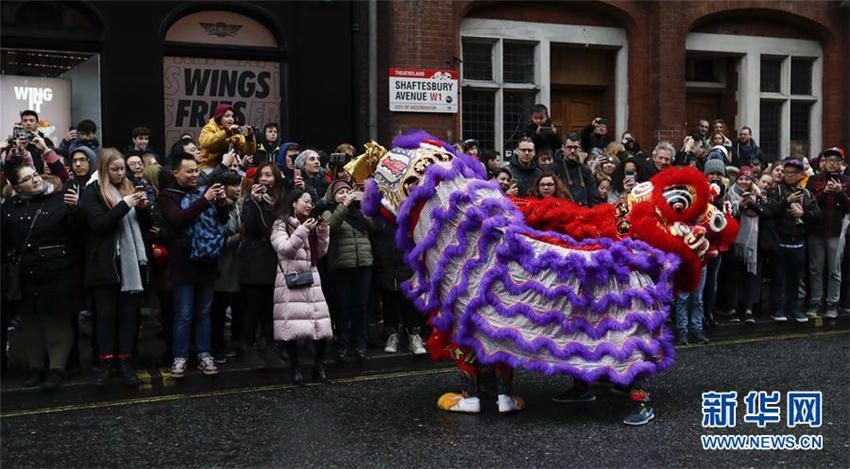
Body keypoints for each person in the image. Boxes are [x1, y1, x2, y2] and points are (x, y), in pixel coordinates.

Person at [1, 164, 82, 390]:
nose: (35, 180)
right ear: (16, 186)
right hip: (26, 273)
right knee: (31, 324)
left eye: (35, 175)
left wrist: (75, 210)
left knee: (57, 321)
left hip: (59, 271)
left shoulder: (60, 200)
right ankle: (35, 368)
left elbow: (79, 231)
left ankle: (57, 369)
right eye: (27, 179)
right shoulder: (8, 208)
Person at [79, 149, 151, 387]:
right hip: (105, 264)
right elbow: (98, 225)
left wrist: (142, 208)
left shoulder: (128, 187)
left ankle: (125, 361)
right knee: (106, 317)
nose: (120, 173)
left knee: (129, 317)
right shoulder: (92, 191)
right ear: (103, 169)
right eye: (115, 169)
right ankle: (106, 362)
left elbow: (145, 227)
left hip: (131, 265)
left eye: (123, 169)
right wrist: (125, 205)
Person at [158, 153, 230, 377]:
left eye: (196, 170)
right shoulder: (168, 196)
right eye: (189, 171)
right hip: (183, 264)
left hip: (207, 261)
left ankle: (204, 354)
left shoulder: (203, 191)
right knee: (184, 314)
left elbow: (222, 220)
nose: (194, 175)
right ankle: (180, 357)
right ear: (176, 173)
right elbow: (178, 219)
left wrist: (220, 203)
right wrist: (205, 199)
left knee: (204, 313)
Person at [270, 188, 332, 385]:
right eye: (305, 201)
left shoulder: (309, 223)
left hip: (312, 278)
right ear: (293, 203)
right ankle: (295, 369)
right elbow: (285, 249)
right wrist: (303, 230)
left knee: (321, 326)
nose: (309, 205)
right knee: (291, 329)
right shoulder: (281, 224)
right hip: (290, 280)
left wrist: (322, 232)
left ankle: (318, 366)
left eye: (311, 202)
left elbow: (319, 253)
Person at [763, 157, 823, 323]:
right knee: (778, 276)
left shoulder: (807, 193)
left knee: (795, 277)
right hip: (780, 239)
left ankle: (793, 307)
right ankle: (777, 308)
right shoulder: (777, 190)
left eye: (793, 173)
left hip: (799, 240)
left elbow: (818, 216)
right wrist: (786, 202)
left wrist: (803, 214)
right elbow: (769, 212)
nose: (789, 176)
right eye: (787, 173)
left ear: (801, 175)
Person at [322, 180, 374, 362]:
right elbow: (331, 226)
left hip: (363, 265)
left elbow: (374, 227)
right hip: (341, 266)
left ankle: (360, 345)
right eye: (340, 192)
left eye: (347, 191)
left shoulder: (360, 211)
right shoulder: (329, 210)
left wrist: (367, 203)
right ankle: (342, 346)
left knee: (360, 307)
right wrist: (344, 206)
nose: (345, 194)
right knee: (342, 308)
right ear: (333, 196)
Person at [239, 162, 284, 367]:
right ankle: (249, 347)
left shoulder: (279, 201)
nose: (264, 179)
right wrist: (255, 202)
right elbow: (253, 227)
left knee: (270, 309)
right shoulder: (250, 201)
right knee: (254, 308)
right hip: (255, 261)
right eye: (261, 175)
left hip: (273, 259)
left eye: (269, 175)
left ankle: (270, 347)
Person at [804, 147, 849, 319]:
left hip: (837, 232)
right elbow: (809, 204)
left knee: (834, 270)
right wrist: (824, 191)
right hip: (816, 230)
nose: (832, 164)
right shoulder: (814, 180)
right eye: (829, 160)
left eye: (836, 161)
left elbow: (848, 205)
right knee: (815, 269)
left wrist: (840, 192)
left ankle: (832, 304)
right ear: (823, 163)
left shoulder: (847, 181)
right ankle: (815, 302)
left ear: (841, 164)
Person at [720, 166, 763, 324]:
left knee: (750, 276)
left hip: (752, 243)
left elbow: (765, 212)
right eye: (741, 178)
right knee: (733, 276)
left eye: (748, 179)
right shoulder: (729, 195)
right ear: (736, 180)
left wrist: (752, 203)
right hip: (734, 241)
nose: (744, 181)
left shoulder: (758, 195)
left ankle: (748, 310)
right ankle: (732, 310)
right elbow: (727, 216)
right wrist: (738, 205)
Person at [210, 171, 244, 364]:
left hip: (236, 264)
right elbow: (219, 239)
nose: (237, 189)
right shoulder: (219, 207)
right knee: (219, 307)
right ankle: (217, 345)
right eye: (233, 185)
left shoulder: (238, 206)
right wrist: (240, 237)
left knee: (235, 305)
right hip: (222, 264)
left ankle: (234, 342)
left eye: (239, 184)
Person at [198, 104, 257, 170]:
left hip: (229, 168)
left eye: (232, 116)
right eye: (227, 116)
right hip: (208, 166)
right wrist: (226, 133)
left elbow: (249, 152)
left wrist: (249, 138)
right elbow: (206, 142)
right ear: (219, 117)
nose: (231, 119)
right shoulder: (210, 127)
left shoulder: (235, 131)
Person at [556, 132, 600, 206]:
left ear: (579, 148)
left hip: (583, 211)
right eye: (569, 147)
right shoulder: (554, 168)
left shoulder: (586, 170)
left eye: (575, 147)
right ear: (563, 148)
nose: (572, 151)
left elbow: (593, 197)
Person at [293, 149, 330, 214]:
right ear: (303, 164)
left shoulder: (324, 181)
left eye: (318, 159)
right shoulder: (299, 183)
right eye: (312, 159)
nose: (317, 162)